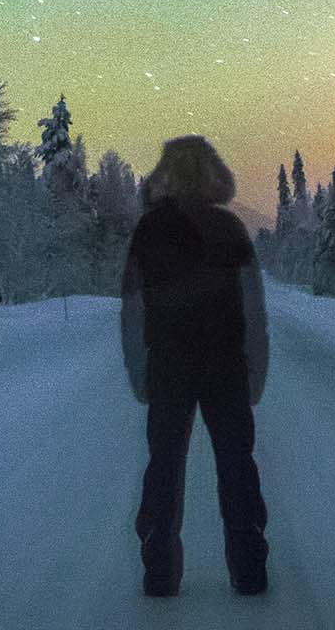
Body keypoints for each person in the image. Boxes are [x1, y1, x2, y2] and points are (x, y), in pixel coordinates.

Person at [119, 134, 270, 599]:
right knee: (236, 464)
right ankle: (249, 572)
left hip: (168, 366)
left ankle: (159, 573)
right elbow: (253, 311)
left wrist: (138, 373)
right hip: (226, 366)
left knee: (165, 464)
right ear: (213, 176)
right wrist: (255, 374)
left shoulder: (148, 232)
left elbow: (132, 309)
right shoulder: (230, 229)